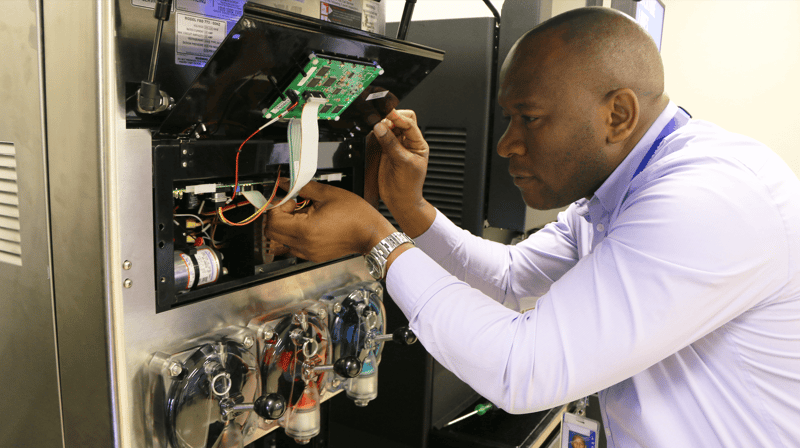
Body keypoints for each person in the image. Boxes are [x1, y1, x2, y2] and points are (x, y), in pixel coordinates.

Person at [265, 7, 800, 447]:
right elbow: (511, 278)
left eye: (530, 117)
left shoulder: (706, 199)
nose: (506, 145)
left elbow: (523, 370)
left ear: (618, 115)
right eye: (506, 119)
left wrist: (374, 238)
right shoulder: (621, 190)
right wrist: (409, 210)